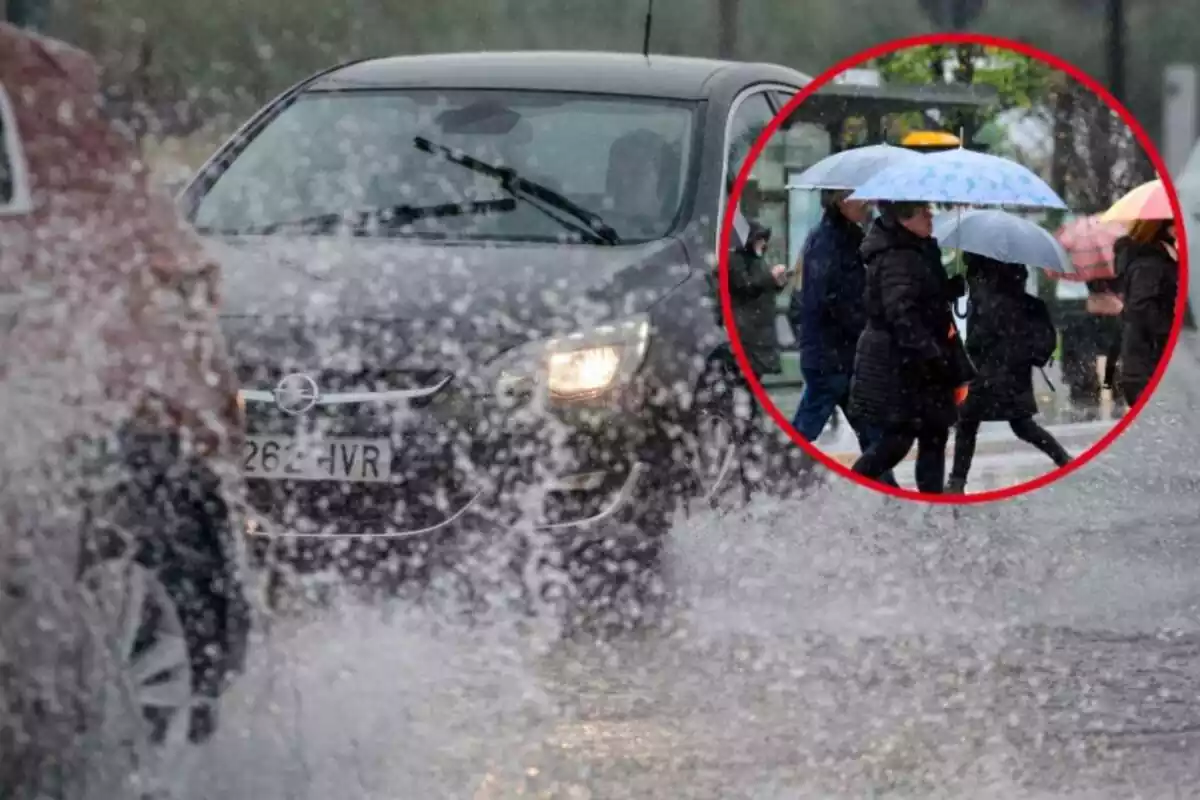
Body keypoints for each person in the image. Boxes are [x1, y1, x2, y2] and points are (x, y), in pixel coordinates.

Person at [847, 200, 971, 493]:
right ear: (903, 218)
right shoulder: (897, 256)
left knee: (934, 435)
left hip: (921, 363)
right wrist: (930, 351)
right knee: (899, 439)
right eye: (922, 211)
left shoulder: (918, 248)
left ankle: (932, 499)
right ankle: (851, 484)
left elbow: (919, 296)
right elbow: (900, 313)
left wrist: (947, 289)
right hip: (905, 364)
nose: (930, 215)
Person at [788, 189, 896, 486]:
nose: (866, 201)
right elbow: (829, 299)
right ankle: (775, 480)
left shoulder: (848, 237)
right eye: (857, 196)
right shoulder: (826, 241)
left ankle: (891, 493)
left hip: (844, 355)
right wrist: (865, 322)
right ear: (839, 201)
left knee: (871, 431)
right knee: (806, 431)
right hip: (830, 356)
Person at [946, 256, 1072, 493]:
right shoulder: (1028, 303)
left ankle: (957, 481)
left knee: (967, 425)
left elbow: (976, 341)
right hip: (1015, 374)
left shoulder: (985, 301)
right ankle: (1063, 459)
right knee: (1022, 424)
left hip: (985, 374)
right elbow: (1044, 343)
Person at [1114, 217, 1179, 407]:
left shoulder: (1159, 257)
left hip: (1147, 358)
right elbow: (1141, 307)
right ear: (1162, 226)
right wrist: (1168, 329)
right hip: (1147, 360)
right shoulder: (1149, 263)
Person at [727, 221, 789, 381]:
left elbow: (761, 286)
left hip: (760, 331)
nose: (763, 243)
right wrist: (770, 278)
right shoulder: (736, 259)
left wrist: (778, 282)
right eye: (759, 239)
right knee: (745, 381)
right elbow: (747, 286)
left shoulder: (758, 260)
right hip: (748, 332)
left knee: (753, 380)